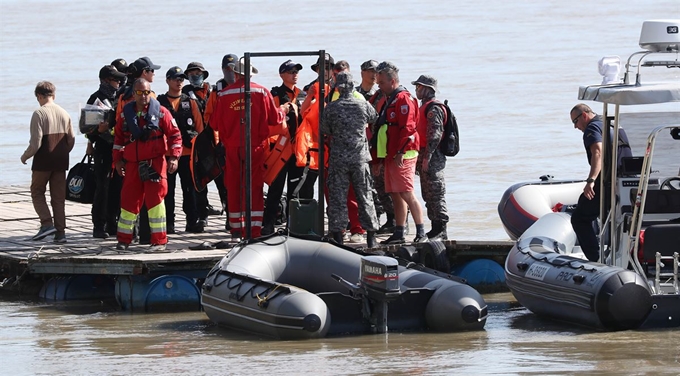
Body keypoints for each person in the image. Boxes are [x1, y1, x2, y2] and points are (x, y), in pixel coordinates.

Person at [211, 59, 288, 239]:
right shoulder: (261, 91)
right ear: (251, 74)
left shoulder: (223, 94)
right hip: (255, 148)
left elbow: (214, 123)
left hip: (231, 148)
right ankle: (253, 231)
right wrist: (284, 109)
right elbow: (275, 119)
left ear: (236, 74)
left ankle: (236, 230)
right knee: (254, 188)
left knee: (234, 187)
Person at [113, 78, 182, 252]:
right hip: (132, 165)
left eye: (146, 92)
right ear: (134, 93)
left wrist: (174, 157)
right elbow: (118, 140)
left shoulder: (161, 113)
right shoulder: (124, 115)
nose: (143, 96)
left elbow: (175, 136)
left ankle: (159, 241)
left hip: (155, 164)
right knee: (128, 203)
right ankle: (123, 240)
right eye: (139, 93)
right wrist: (117, 160)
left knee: (156, 203)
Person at [320, 71, 379, 247]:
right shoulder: (363, 105)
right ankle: (371, 236)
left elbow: (325, 130)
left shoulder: (331, 108)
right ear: (353, 87)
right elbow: (375, 118)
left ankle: (338, 236)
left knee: (338, 198)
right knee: (365, 196)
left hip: (338, 159)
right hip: (360, 158)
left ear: (337, 87)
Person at [262, 59, 317, 235]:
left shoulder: (302, 95)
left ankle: (293, 226)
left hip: (298, 151)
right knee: (275, 189)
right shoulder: (275, 95)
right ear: (282, 75)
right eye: (291, 71)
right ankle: (268, 225)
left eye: (296, 71)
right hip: (280, 151)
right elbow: (269, 122)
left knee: (295, 191)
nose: (295, 75)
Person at [375, 61, 427, 244]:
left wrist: (400, 151)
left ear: (392, 81)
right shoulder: (391, 98)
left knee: (406, 192)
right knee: (395, 193)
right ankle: (399, 231)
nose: (378, 86)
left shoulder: (403, 99)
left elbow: (408, 128)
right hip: (391, 154)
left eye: (381, 82)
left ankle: (421, 232)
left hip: (403, 154)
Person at [21, 81, 75, 243]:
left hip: (43, 161)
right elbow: (71, 139)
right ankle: (60, 233)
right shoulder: (64, 113)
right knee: (58, 198)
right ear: (54, 95)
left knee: (37, 191)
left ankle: (46, 223)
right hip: (61, 161)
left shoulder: (39, 113)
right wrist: (63, 153)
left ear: (39, 96)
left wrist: (25, 156)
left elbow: (36, 143)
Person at [157, 66, 206, 234]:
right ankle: (169, 223)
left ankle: (192, 222)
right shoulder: (159, 102)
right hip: (166, 155)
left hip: (187, 154)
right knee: (167, 191)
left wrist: (199, 152)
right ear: (167, 81)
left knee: (189, 189)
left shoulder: (190, 101)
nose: (179, 82)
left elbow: (199, 128)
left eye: (181, 79)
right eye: (176, 79)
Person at [86, 65, 127, 238]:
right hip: (103, 151)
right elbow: (88, 130)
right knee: (102, 188)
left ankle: (113, 223)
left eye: (120, 80)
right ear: (104, 80)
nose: (118, 83)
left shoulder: (120, 98)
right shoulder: (96, 98)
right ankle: (99, 226)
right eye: (115, 80)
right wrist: (99, 130)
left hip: (118, 151)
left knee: (117, 188)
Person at [412, 74, 449, 240]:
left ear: (428, 89)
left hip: (433, 156)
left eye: (419, 87)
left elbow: (435, 135)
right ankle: (435, 228)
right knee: (428, 193)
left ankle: (441, 229)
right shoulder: (425, 106)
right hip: (425, 154)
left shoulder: (434, 108)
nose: (417, 90)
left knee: (435, 191)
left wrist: (427, 157)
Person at [570, 103, 604, 262]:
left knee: (579, 218)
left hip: (605, 183)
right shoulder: (609, 124)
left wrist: (591, 181)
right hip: (620, 181)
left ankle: (595, 260)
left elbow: (597, 152)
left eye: (575, 122)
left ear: (584, 115)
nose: (575, 127)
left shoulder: (592, 128)